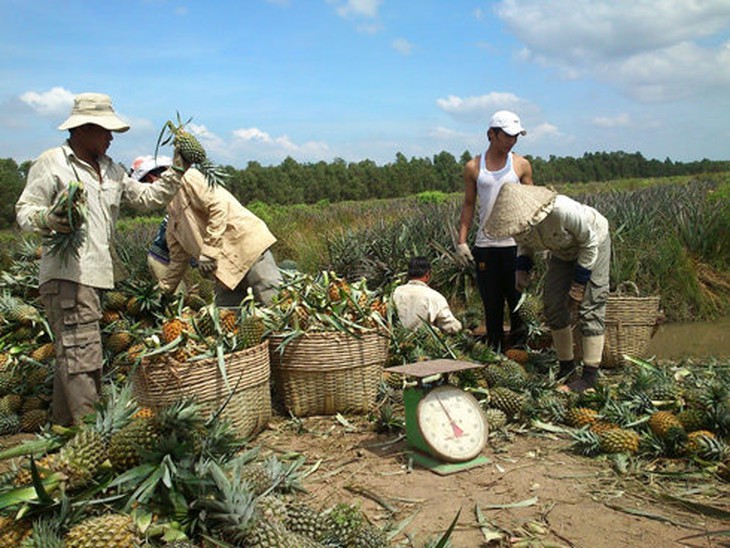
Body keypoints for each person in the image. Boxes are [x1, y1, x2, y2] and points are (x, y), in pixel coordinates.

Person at [15, 93, 188, 425]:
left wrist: (178, 168)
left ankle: (65, 436)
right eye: (106, 130)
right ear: (84, 128)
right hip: (68, 276)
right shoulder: (53, 163)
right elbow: (25, 211)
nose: (111, 137)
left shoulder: (111, 170)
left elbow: (147, 197)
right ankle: (91, 440)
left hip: (96, 276)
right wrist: (49, 219)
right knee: (83, 357)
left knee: (74, 355)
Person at [484, 183, 611, 392]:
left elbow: (589, 243)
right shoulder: (518, 224)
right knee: (552, 305)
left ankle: (590, 376)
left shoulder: (562, 212)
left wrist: (579, 283)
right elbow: (525, 244)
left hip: (593, 244)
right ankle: (567, 368)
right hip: (561, 252)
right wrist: (522, 268)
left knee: (591, 305)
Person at [456, 110, 533, 350]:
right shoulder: (474, 167)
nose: (513, 141)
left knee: (518, 302)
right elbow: (469, 204)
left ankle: (522, 353)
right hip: (486, 246)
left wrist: (535, 240)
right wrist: (462, 241)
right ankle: (495, 351)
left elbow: (533, 203)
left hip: (515, 246)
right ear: (492, 134)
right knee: (492, 304)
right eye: (508, 136)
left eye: (516, 136)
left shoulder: (521, 165)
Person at [156, 163, 282, 307]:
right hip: (225, 273)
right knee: (226, 319)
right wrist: (163, 290)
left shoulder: (188, 178)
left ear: (153, 178)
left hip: (247, 250)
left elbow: (218, 206)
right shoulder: (172, 222)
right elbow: (178, 261)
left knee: (273, 302)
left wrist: (209, 252)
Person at [130, 155, 187, 293]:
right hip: (162, 261)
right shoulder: (175, 198)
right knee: (177, 301)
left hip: (170, 260)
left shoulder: (180, 192)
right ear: (151, 179)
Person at [393, 256, 462, 334]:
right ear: (427, 275)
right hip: (423, 341)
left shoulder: (395, 292)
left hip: (395, 339)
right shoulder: (434, 296)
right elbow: (451, 326)